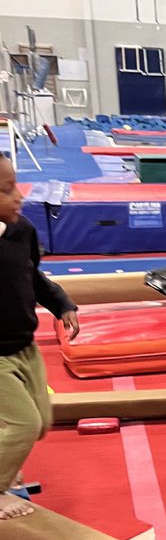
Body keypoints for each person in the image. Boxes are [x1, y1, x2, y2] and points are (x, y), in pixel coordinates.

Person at [0, 153, 79, 519]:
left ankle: (6, 464)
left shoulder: (22, 232)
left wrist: (62, 304)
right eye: (6, 190)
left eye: (15, 185)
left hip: (25, 346)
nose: (19, 195)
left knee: (41, 422)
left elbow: (33, 279)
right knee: (22, 424)